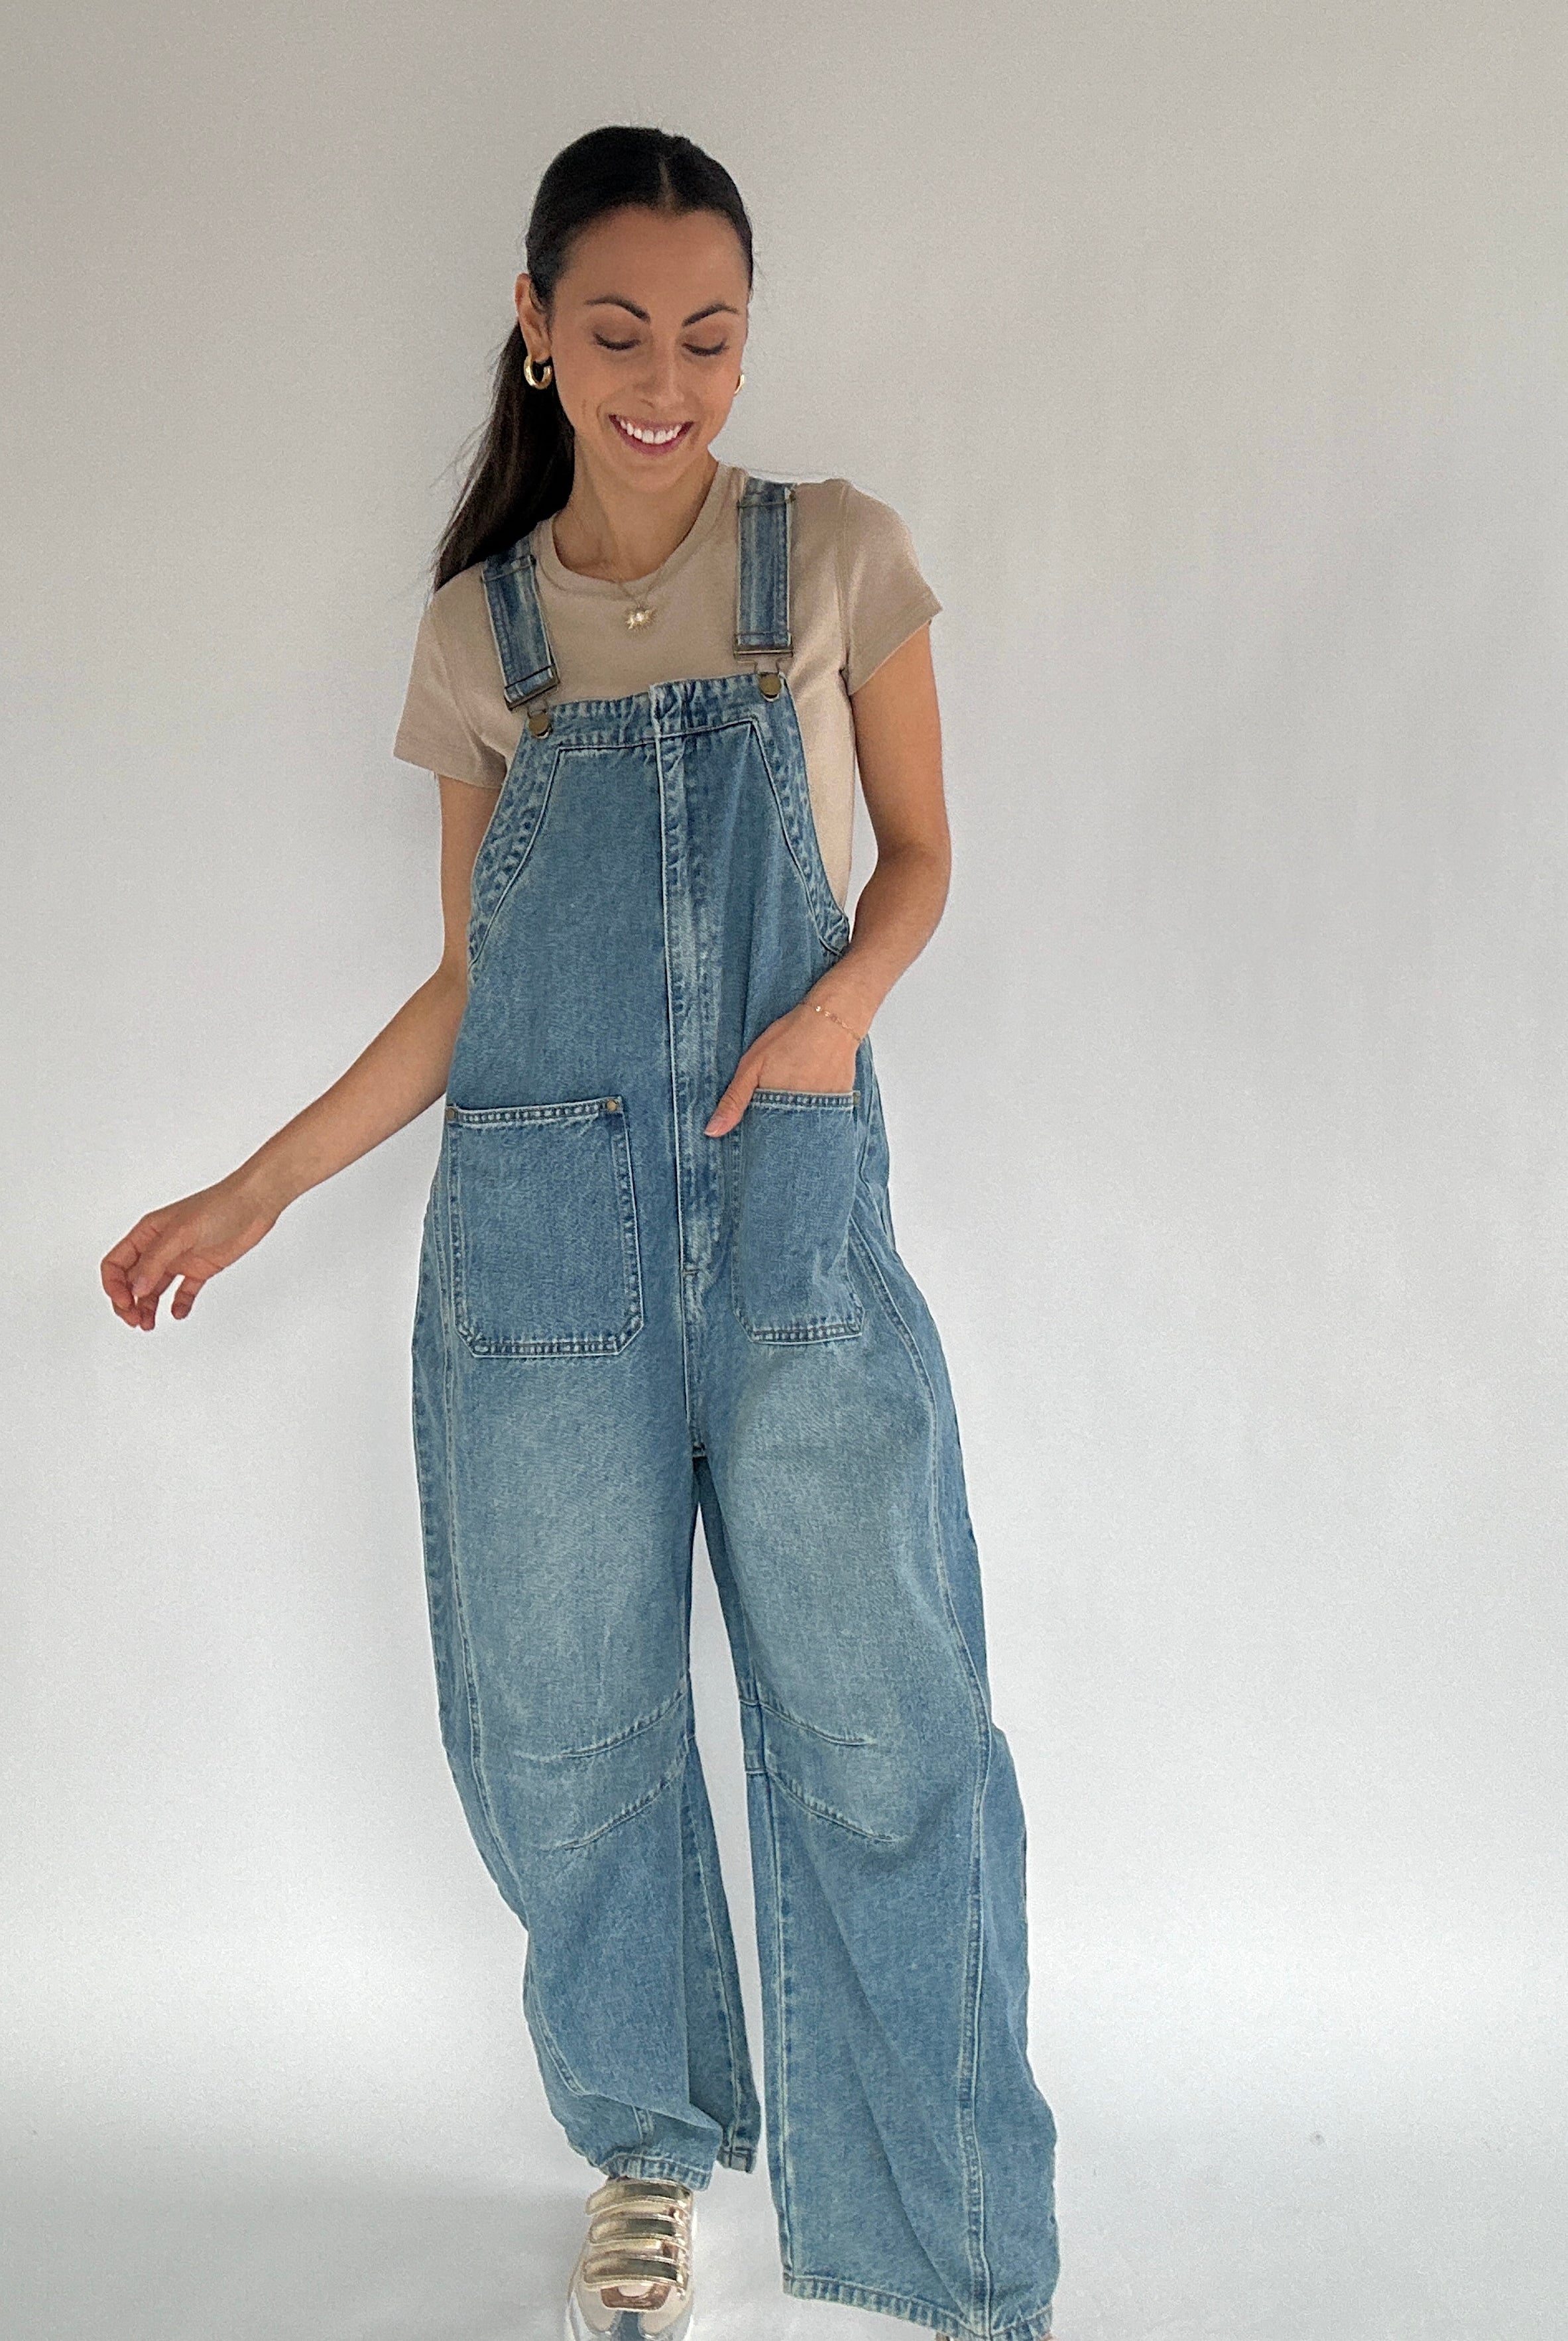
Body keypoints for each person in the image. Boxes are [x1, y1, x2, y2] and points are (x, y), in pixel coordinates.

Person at [100, 124, 1060, 2341]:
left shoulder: (830, 557)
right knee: (564, 1720)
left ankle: (946, 2239)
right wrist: (254, 1186)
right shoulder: (483, 635)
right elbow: (472, 986)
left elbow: (915, 856)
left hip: (794, 1188)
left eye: (710, 336)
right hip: (542, 1233)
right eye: (617, 331)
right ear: (535, 330)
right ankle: (649, 2151)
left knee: (888, 1706)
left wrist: (831, 1014)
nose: (667, 379)